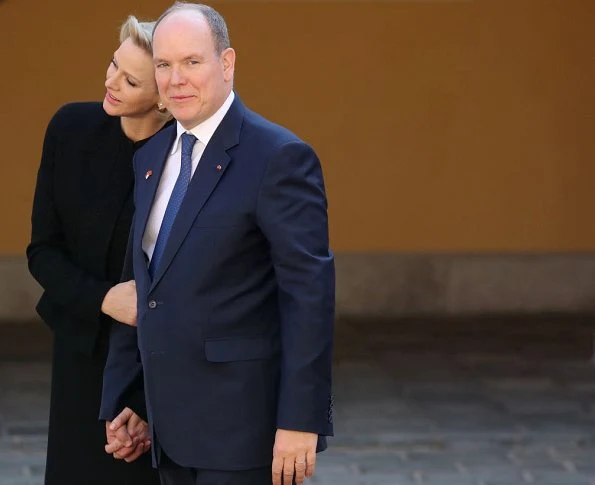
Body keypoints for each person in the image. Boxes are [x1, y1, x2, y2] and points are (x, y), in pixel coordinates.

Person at [100, 3, 335, 485]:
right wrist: (133, 400)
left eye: (192, 62)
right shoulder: (151, 155)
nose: (176, 79)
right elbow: (145, 285)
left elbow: (308, 298)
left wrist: (300, 421)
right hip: (167, 433)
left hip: (243, 434)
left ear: (226, 64)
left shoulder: (279, 157)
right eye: (164, 65)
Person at [26, 15, 171, 485]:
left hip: (160, 361)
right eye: (112, 65)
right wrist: (102, 298)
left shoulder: (186, 158)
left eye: (130, 80)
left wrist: (147, 405)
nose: (110, 83)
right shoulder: (70, 128)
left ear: (165, 99)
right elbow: (43, 251)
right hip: (79, 350)